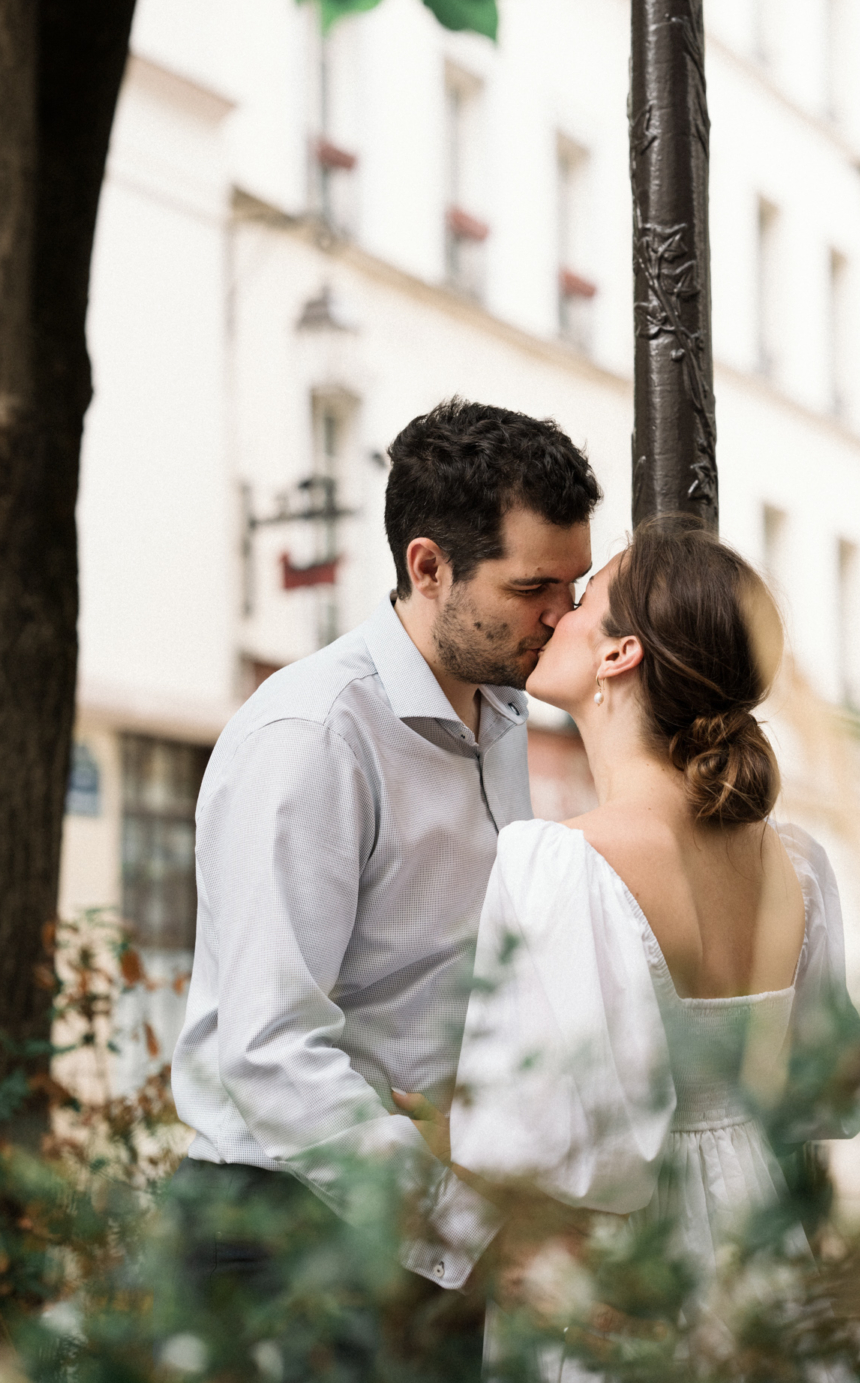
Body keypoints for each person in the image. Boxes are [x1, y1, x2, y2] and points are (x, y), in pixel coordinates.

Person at [399, 516, 860, 1375]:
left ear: (619, 655)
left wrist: (445, 1137)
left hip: (616, 1271)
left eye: (584, 600)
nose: (557, 614)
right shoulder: (799, 867)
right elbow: (817, 1092)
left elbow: (545, 1141)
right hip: (758, 1246)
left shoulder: (561, 861)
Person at [165, 397, 597, 1374]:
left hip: (425, 1221)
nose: (560, 616)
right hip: (284, 1229)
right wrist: (457, 1219)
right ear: (428, 566)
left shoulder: (502, 717)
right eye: (533, 586)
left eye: (572, 585)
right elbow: (270, 1046)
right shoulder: (314, 736)